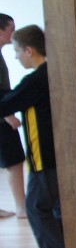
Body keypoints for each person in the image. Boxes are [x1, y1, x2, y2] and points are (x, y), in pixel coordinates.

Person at [0, 25, 67, 248]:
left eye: (18, 52)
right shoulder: (50, 74)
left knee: (36, 208)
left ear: (29, 50)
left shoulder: (36, 80)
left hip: (44, 158)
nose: (17, 57)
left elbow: (7, 103)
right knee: (55, 208)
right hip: (56, 155)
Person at [0, 14, 26, 219]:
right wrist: (9, 116)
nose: (14, 33)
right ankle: (22, 209)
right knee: (14, 161)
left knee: (12, 161)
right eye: (11, 29)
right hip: (2, 118)